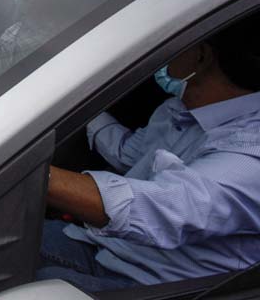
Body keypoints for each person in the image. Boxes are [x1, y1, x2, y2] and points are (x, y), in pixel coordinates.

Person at [37, 15, 260, 293]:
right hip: (106, 248)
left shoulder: (250, 152)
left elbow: (162, 208)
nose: (166, 51)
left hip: (154, 285)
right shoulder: (177, 109)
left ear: (200, 57)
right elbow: (129, 156)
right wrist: (81, 107)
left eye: (177, 41)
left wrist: (36, 177)